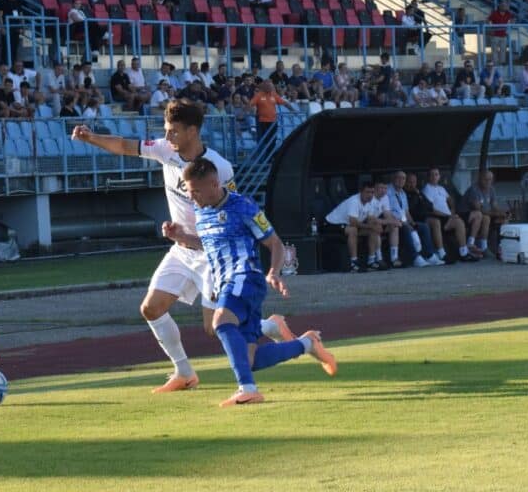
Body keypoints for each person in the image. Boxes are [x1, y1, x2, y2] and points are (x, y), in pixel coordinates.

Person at [70, 100, 294, 393]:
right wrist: (92, 138)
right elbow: (125, 145)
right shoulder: (164, 149)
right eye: (166, 131)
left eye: (174, 131)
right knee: (151, 308)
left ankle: (268, 327)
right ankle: (184, 371)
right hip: (180, 249)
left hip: (212, 254)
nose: (169, 137)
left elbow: (235, 210)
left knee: (214, 328)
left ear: (193, 130)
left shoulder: (220, 167)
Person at [164, 157, 336, 407]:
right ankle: (308, 343)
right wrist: (181, 237)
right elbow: (210, 245)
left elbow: (274, 243)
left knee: (220, 322)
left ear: (214, 184)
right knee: (249, 360)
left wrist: (274, 272)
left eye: (194, 192)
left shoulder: (243, 206)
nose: (191, 198)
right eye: (188, 192)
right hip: (225, 283)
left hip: (245, 277)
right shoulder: (201, 210)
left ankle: (247, 389)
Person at [324, 181, 383, 272]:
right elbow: (353, 222)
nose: (370, 195)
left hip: (349, 224)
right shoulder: (354, 201)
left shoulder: (370, 202)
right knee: (353, 230)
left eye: (372, 192)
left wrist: (376, 225)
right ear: (361, 192)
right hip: (332, 224)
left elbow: (371, 219)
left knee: (373, 230)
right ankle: (353, 263)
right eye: (367, 192)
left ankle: (371, 261)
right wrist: (370, 226)